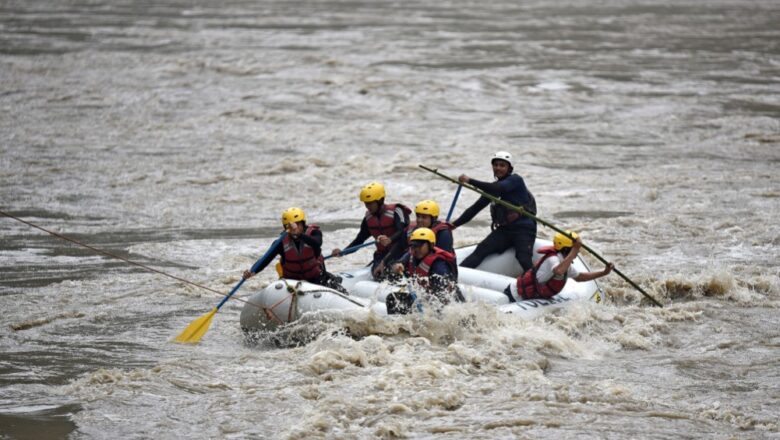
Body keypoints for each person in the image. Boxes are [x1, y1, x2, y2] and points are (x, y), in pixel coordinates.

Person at [452, 151, 537, 272]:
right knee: (481, 250)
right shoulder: (492, 188)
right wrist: (453, 225)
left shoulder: (515, 180)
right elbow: (475, 209)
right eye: (495, 165)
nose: (498, 168)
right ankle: (455, 277)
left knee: (523, 258)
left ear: (509, 168)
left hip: (524, 228)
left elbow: (498, 188)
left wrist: (469, 180)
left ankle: (537, 286)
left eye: (502, 165)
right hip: (505, 230)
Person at [243, 207, 346, 293]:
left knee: (339, 288)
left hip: (316, 279)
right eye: (289, 227)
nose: (293, 229)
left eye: (297, 225)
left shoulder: (314, 233)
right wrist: (252, 271)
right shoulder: (280, 243)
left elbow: (317, 243)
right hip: (292, 282)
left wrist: (300, 234)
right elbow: (265, 259)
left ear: (303, 224)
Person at [331, 182, 411, 280]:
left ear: (380, 200)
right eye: (365, 203)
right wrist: (343, 252)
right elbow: (359, 240)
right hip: (381, 255)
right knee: (379, 275)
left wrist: (389, 239)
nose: (367, 206)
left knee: (393, 272)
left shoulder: (397, 211)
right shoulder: (368, 219)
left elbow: (402, 231)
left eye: (370, 203)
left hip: (401, 253)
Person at [504, 231, 613, 302]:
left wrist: (604, 272)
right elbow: (559, 271)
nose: (577, 253)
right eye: (574, 250)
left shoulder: (564, 264)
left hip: (529, 296)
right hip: (515, 295)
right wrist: (574, 250)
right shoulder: (553, 259)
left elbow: (581, 277)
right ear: (566, 250)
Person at [388, 228, 464, 314]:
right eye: (413, 246)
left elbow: (442, 294)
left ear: (431, 245)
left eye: (419, 246)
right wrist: (397, 266)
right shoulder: (412, 254)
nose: (416, 249)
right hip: (428, 298)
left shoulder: (439, 265)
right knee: (393, 299)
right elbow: (397, 263)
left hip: (450, 303)